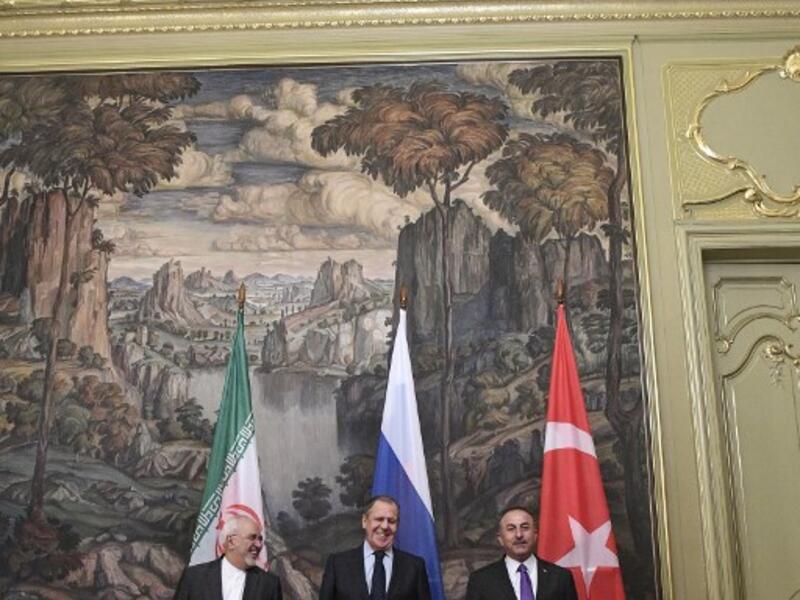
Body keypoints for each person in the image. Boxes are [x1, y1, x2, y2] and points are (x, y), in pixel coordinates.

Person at [319, 495, 432, 600]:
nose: (385, 526)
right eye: (379, 519)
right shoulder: (338, 564)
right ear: (364, 521)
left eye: (391, 521)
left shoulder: (415, 567)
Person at [465, 506, 578, 600]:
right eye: (511, 528)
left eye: (525, 527)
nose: (519, 534)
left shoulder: (561, 577)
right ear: (500, 538)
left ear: (535, 535)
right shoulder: (480, 581)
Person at [173, 514, 283, 600]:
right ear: (231, 542)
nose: (259, 545)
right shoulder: (194, 577)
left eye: (260, 539)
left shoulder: (269, 583)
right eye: (252, 538)